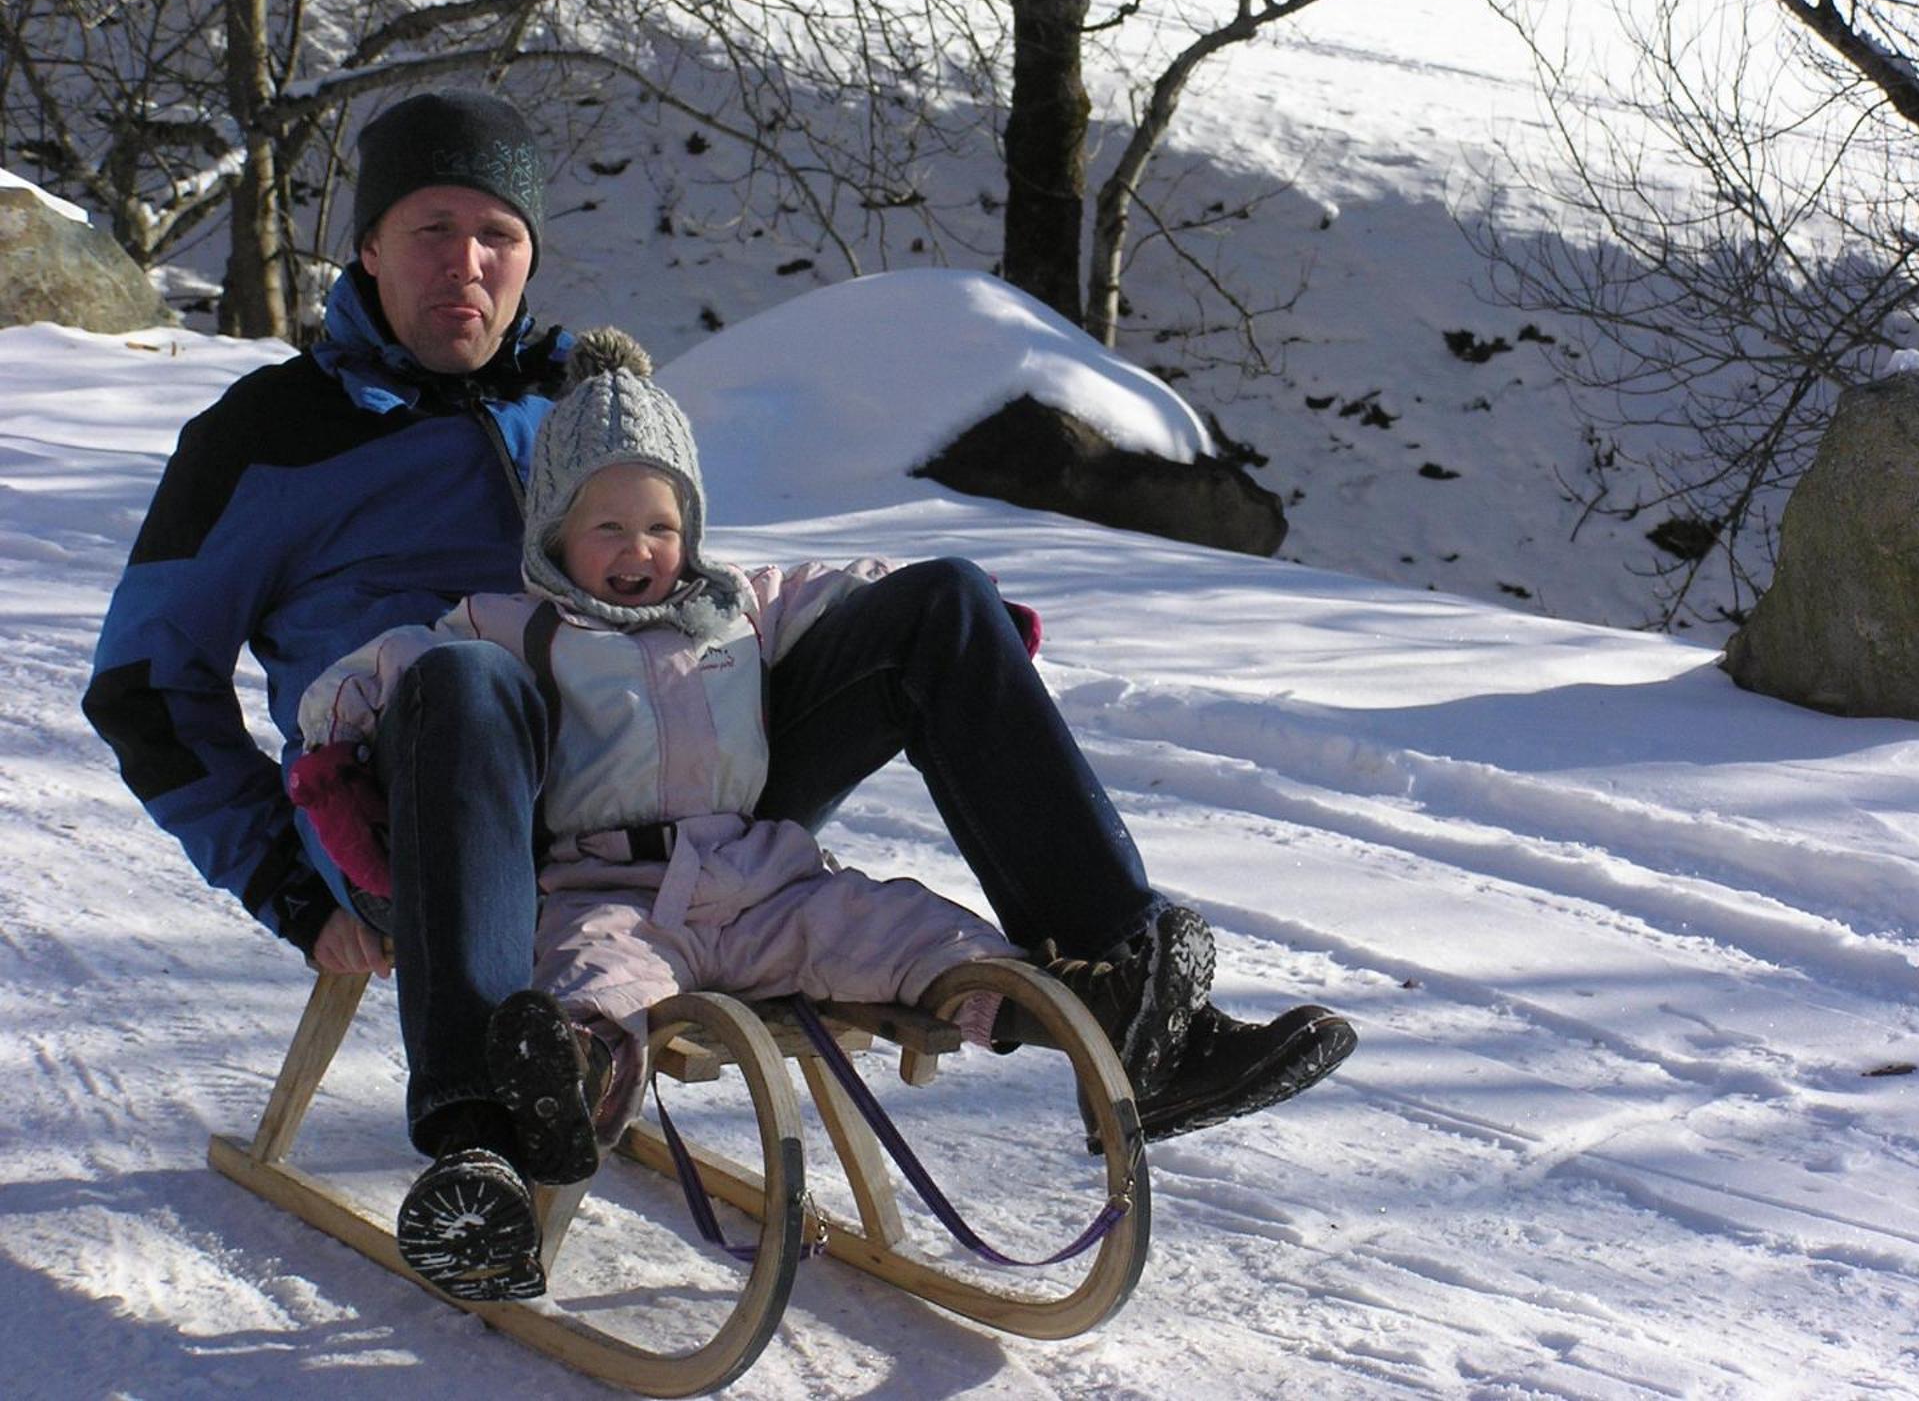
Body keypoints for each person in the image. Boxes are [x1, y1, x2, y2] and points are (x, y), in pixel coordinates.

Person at [82, 87, 1355, 1288]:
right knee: (465, 674)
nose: (463, 264)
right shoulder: (265, 437)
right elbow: (143, 687)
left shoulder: (573, 398)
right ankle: (479, 1143)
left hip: (663, 782)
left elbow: (688, 581)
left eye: (495, 235)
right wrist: (291, 886)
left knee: (940, 603)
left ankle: (1131, 1008)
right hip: (436, 807)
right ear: (366, 248)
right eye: (429, 231)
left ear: (530, 257)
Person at [293, 334, 1192, 1297]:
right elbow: (379, 676)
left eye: (659, 526)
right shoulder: (504, 624)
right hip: (609, 887)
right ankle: (569, 1091)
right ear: (553, 535)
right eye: (605, 529)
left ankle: (1081, 1005)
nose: (637, 551)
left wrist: (984, 634)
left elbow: (859, 588)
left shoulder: (741, 607)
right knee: (591, 989)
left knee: (900, 925)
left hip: (761, 875)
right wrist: (334, 765)